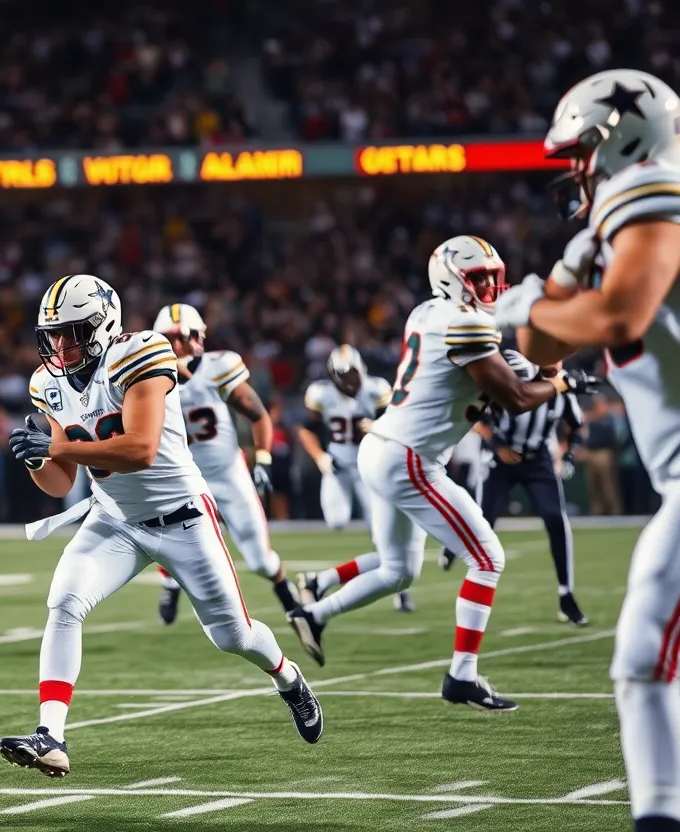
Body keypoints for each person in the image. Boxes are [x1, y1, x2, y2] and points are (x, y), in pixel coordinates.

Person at [0, 275, 322, 777]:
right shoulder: (48, 384)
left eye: (73, 331)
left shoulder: (141, 354)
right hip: (115, 519)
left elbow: (140, 449)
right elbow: (62, 482)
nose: (61, 344)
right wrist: (36, 459)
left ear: (104, 326)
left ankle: (287, 677)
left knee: (233, 637)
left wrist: (57, 447)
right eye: (54, 333)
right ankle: (51, 735)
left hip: (183, 518)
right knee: (63, 601)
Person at [288, 235, 594, 708]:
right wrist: (560, 381)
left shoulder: (428, 313)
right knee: (488, 559)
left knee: (398, 570)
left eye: (494, 278)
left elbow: (489, 375)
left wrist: (531, 368)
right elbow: (513, 399)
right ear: (451, 278)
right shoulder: (464, 324)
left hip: (384, 448)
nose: (490, 288)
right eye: (480, 279)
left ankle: (316, 612)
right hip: (408, 457)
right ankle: (461, 677)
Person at [495, 68, 680, 832]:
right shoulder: (613, 224)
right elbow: (542, 346)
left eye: (581, 151)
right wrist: (555, 289)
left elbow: (615, 318)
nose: (575, 168)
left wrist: (541, 300)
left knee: (643, 655)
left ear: (620, 137)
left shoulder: (653, 189)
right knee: (640, 660)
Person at [147, 303, 302, 625]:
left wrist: (263, 458)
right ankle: (169, 582)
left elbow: (258, 414)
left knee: (260, 560)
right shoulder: (145, 378)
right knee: (172, 541)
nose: (176, 346)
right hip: (183, 479)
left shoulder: (219, 366)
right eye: (168, 338)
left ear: (197, 338)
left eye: (181, 337)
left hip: (227, 474)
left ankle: (291, 599)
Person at [438, 349, 589, 626]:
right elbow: (475, 416)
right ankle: (452, 545)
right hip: (500, 458)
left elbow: (576, 424)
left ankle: (566, 594)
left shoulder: (563, 387)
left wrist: (566, 455)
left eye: (558, 356)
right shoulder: (515, 375)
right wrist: (498, 446)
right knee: (484, 520)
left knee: (556, 518)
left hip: (538, 458)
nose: (554, 362)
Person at [296, 345, 416, 613]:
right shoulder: (321, 394)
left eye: (354, 375)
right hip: (337, 467)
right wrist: (320, 457)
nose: (351, 382)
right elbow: (306, 430)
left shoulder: (376, 389)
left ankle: (401, 591)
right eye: (345, 376)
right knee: (337, 520)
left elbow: (397, 426)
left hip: (369, 467)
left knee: (381, 535)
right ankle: (324, 580)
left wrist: (376, 428)